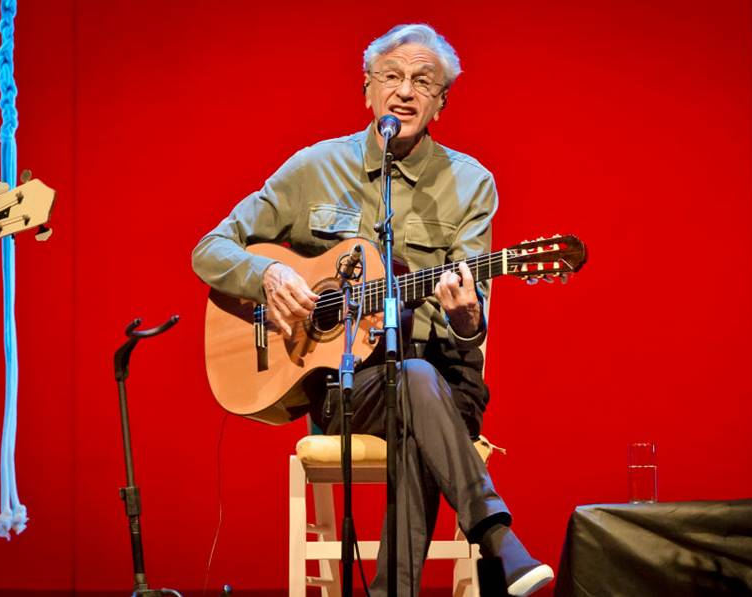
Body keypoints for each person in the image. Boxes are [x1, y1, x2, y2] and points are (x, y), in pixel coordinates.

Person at [192, 23, 554, 596]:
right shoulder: (315, 168)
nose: (405, 91)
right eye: (392, 77)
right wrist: (271, 273)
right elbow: (209, 250)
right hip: (341, 385)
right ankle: (498, 539)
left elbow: (470, 315)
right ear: (368, 90)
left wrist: (465, 317)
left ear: (442, 101)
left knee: (416, 385)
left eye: (422, 81)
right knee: (410, 388)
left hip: (442, 374)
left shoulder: (470, 183)